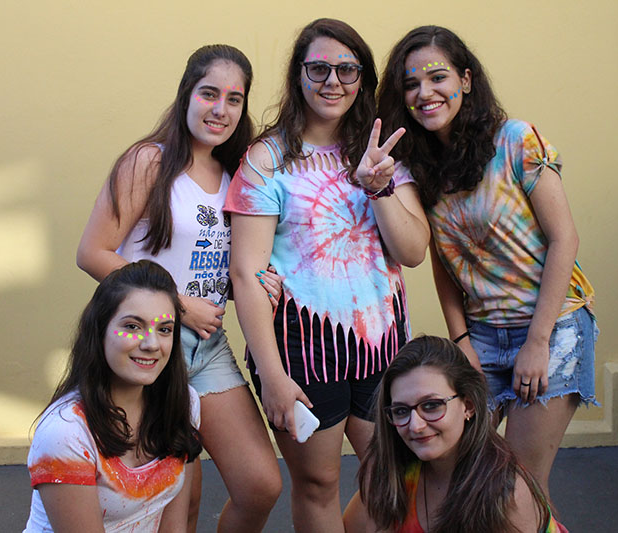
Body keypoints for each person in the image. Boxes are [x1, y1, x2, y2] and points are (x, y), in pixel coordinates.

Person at [375, 25, 598, 499]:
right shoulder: (420, 166)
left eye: (437, 77)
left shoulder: (516, 141)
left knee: (520, 484)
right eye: (411, 84)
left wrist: (537, 342)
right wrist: (462, 344)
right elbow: (443, 263)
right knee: (455, 469)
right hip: (481, 336)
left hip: (553, 327)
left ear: (466, 80)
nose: (424, 93)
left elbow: (565, 239)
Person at [225, 18, 429, 533]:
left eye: (346, 70)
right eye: (318, 69)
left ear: (362, 79)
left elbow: (413, 251)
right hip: (303, 352)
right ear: (298, 75)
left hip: (383, 346)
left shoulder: (382, 150)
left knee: (395, 474)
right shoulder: (266, 160)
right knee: (318, 484)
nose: (332, 81)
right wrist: (273, 376)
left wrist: (380, 187)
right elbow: (247, 274)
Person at [76, 45, 281, 532]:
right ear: (186, 94)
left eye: (234, 99)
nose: (220, 109)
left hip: (208, 347)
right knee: (177, 505)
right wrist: (178, 305)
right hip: (149, 342)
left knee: (260, 484)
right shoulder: (150, 161)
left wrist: (256, 282)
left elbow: (212, 266)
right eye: (209, 94)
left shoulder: (234, 174)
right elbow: (92, 253)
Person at [24, 260, 203, 532]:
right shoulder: (66, 432)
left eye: (164, 329)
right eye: (132, 326)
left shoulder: (183, 403)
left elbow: (174, 526)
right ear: (100, 331)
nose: (151, 344)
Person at [359, 335, 568, 532]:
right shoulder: (389, 474)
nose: (415, 425)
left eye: (431, 406)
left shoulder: (506, 493)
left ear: (468, 406)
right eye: (401, 411)